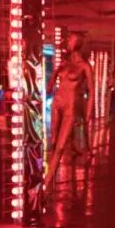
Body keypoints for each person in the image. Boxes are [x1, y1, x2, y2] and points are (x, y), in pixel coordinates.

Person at [46, 33, 94, 191]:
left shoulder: (85, 66)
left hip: (70, 107)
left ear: (78, 43)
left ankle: (47, 182)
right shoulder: (64, 63)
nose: (68, 41)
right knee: (53, 142)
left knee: (60, 147)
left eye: (71, 39)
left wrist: (88, 111)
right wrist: (55, 73)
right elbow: (49, 88)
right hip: (57, 104)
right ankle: (48, 177)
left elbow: (92, 91)